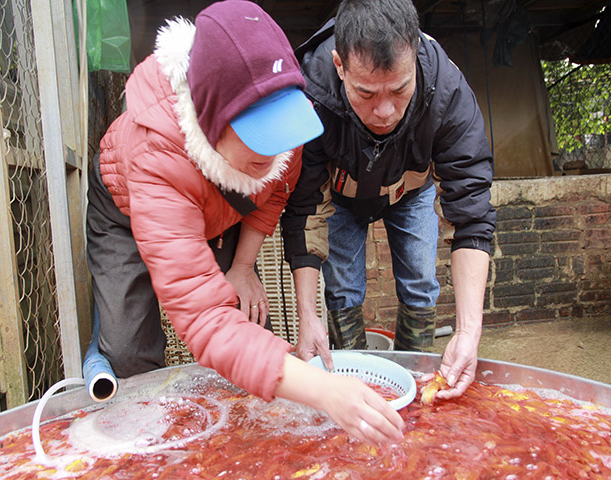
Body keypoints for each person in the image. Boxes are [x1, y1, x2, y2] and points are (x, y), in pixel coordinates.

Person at [86, 0, 403, 444]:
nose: (277, 158)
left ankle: (248, 449)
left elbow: (273, 193)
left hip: (223, 202)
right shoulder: (156, 155)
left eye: (281, 141)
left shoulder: (277, 144)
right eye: (259, 146)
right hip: (126, 208)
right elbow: (203, 318)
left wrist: (241, 268)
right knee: (128, 352)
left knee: (252, 324)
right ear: (211, 123)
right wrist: (325, 391)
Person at [281, 0, 496, 400]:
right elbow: (304, 208)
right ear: (340, 66)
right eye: (365, 93)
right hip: (340, 200)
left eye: (399, 89)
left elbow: (471, 212)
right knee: (343, 292)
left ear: (414, 57)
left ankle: (415, 387)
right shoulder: (310, 91)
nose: (384, 111)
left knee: (420, 283)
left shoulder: (447, 90)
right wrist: (307, 316)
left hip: (410, 192)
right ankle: (350, 387)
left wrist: (469, 332)